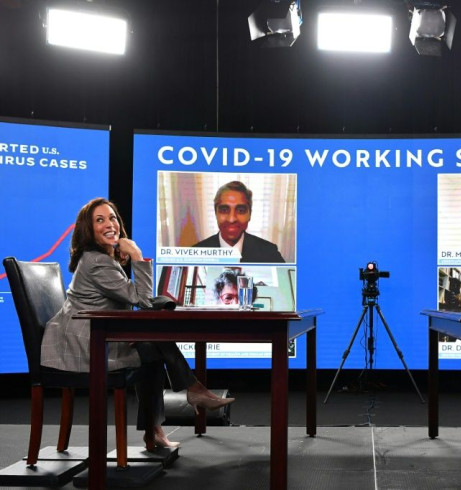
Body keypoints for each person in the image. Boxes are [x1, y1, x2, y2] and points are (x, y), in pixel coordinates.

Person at [40, 198, 235, 449]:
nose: (110, 224)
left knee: (151, 346)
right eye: (100, 220)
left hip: (94, 337)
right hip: (83, 347)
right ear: (88, 230)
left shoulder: (104, 259)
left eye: (112, 218)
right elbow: (141, 300)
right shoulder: (96, 262)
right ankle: (188, 393)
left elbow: (126, 303)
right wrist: (137, 256)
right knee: (152, 344)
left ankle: (162, 423)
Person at [193, 181, 285, 263]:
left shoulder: (269, 253)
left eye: (240, 210)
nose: (231, 219)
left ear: (250, 214)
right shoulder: (196, 253)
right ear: (215, 213)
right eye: (224, 210)